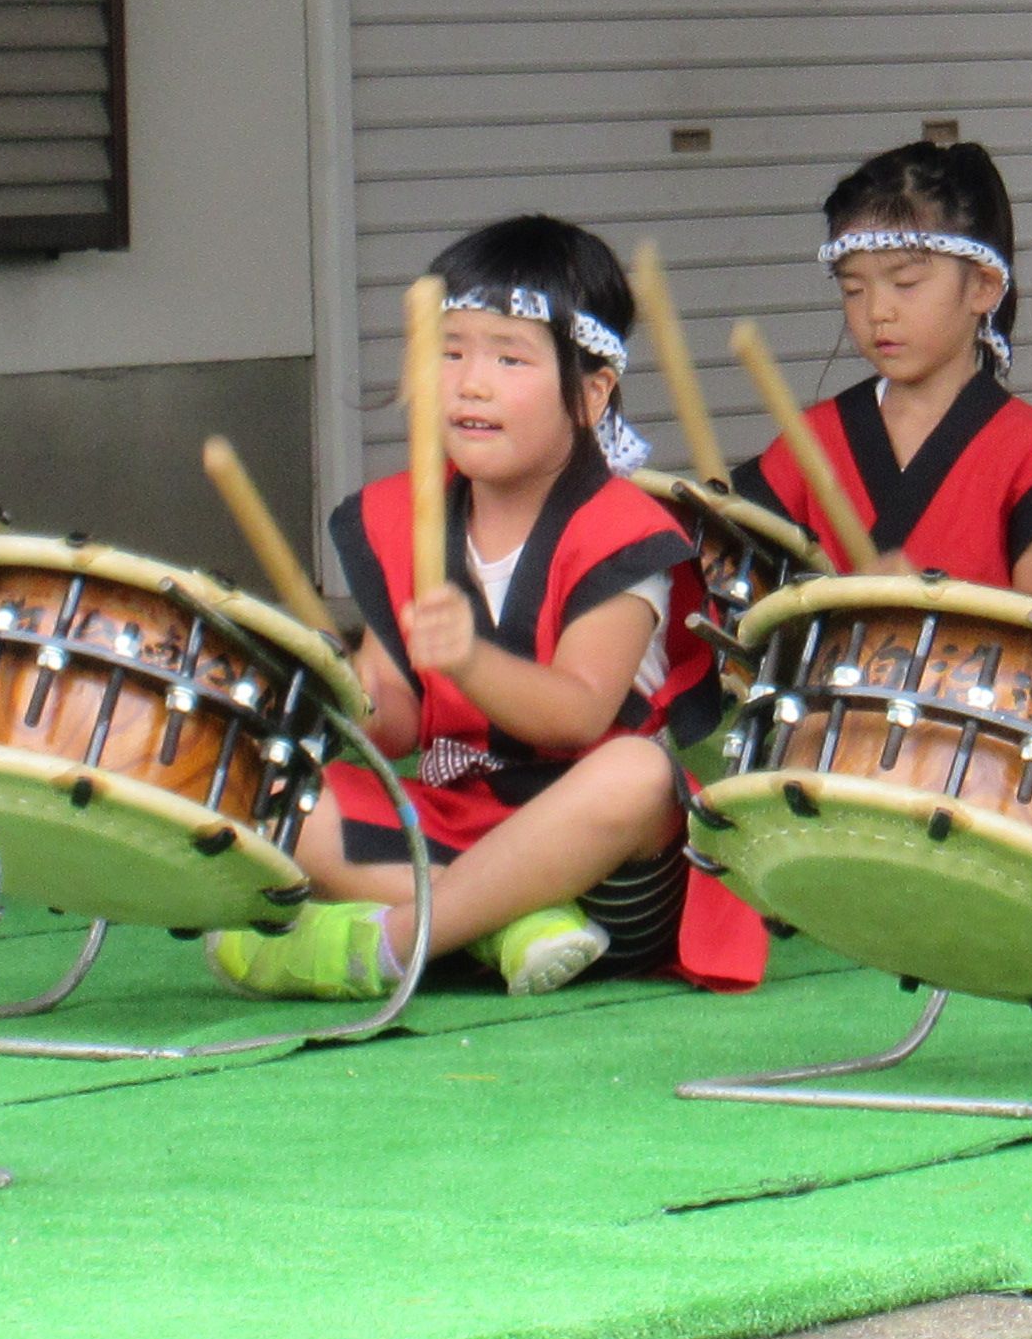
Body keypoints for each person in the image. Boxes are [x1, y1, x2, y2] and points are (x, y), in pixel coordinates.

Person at [217, 218, 740, 1005]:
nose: (471, 382)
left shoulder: (626, 533)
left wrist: (467, 659)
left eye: (508, 356)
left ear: (593, 391)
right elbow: (390, 723)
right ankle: (503, 926)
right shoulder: (404, 519)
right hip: (455, 820)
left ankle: (395, 943)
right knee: (285, 792)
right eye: (450, 351)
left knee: (637, 774)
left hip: (604, 868)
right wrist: (329, 688)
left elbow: (575, 717)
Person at [752, 137, 1032, 601]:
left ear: (984, 287)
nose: (877, 311)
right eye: (854, 289)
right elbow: (749, 612)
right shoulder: (808, 442)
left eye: (905, 283)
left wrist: (933, 603)